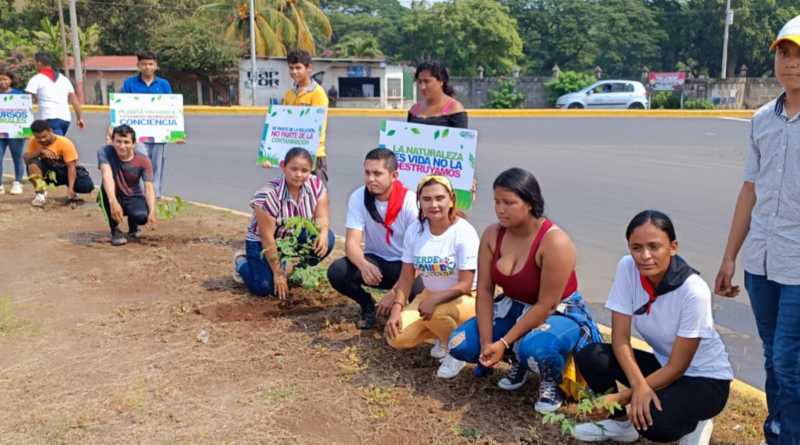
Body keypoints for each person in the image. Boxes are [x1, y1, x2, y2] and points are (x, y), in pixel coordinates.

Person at [448, 168, 601, 412]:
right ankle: (518, 359)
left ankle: (551, 381)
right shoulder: (492, 234)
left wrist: (504, 342)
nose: (500, 209)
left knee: (538, 349)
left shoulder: (554, 242)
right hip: (512, 305)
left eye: (509, 203)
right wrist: (489, 342)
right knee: (460, 344)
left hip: (558, 312)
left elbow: (546, 305)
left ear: (530, 203)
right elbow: (486, 290)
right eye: (497, 202)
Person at [574, 210, 733, 445]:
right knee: (592, 356)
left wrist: (624, 396)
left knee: (652, 423)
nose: (644, 256)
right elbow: (620, 339)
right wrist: (639, 386)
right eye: (636, 247)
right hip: (664, 366)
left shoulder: (693, 290)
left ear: (673, 247)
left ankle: (697, 421)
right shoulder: (628, 268)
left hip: (705, 380)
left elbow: (679, 366)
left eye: (654, 246)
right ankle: (620, 426)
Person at [714, 15, 800, 445]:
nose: (792, 62)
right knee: (773, 357)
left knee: (789, 360)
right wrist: (731, 256)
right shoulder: (763, 119)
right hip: (762, 261)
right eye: (785, 52)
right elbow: (750, 190)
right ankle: (777, 430)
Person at [384, 175, 479, 379]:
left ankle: (456, 352)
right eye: (426, 199)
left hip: (469, 298)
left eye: (439, 198)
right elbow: (407, 277)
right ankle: (441, 332)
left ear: (451, 199)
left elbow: (466, 283)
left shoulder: (463, 231)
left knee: (435, 311)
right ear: (419, 201)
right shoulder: (415, 230)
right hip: (430, 295)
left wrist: (433, 300)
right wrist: (396, 309)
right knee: (396, 338)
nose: (433, 204)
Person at [327, 148, 424, 330]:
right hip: (376, 263)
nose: (370, 179)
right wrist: (364, 265)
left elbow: (419, 258)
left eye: (377, 173)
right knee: (337, 271)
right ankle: (367, 304)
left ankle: (406, 315)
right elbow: (352, 244)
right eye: (367, 172)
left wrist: (395, 293)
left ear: (394, 175)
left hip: (406, 265)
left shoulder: (411, 202)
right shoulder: (358, 197)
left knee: (423, 290)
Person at [234, 147, 334, 298]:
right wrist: (278, 274)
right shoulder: (268, 195)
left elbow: (322, 217)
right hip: (263, 243)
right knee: (265, 288)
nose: (299, 175)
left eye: (305, 170)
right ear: (283, 167)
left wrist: (324, 233)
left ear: (311, 170)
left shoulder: (316, 185)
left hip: (292, 237)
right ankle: (241, 261)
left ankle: (299, 272)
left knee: (328, 239)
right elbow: (267, 238)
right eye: (293, 169)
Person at [121, 50, 184, 200]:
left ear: (156, 66)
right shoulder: (129, 84)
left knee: (157, 164)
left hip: (159, 133)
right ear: (138, 65)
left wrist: (177, 134)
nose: (147, 67)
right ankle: (141, 194)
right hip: (136, 133)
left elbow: (171, 110)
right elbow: (122, 108)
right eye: (144, 64)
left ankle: (155, 196)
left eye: (150, 64)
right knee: (140, 160)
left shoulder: (163, 84)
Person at [97, 125, 157, 246]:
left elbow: (149, 187)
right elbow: (107, 175)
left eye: (126, 142)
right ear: (112, 141)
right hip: (114, 193)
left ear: (134, 143)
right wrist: (113, 201)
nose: (122, 146)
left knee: (142, 217)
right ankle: (115, 230)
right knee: (104, 191)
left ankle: (133, 223)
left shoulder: (143, 160)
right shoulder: (105, 152)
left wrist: (152, 211)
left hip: (133, 195)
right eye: (118, 141)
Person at [283, 50, 330, 185]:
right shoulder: (289, 94)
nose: (294, 72)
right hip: (293, 154)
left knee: (317, 197)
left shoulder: (318, 94)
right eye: (291, 68)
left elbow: (316, 127)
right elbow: (284, 123)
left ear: (309, 68)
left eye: (298, 68)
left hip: (314, 154)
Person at [23, 119, 94, 206]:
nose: (42, 139)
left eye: (45, 136)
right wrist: (40, 150)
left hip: (64, 171)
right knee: (32, 165)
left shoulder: (65, 143)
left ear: (51, 131)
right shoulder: (33, 141)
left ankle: (74, 191)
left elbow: (71, 167)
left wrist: (71, 188)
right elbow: (26, 159)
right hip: (49, 172)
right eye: (38, 137)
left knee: (86, 185)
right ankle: (40, 194)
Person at [24, 52, 85, 136]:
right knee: (56, 145)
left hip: (50, 118)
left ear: (39, 63)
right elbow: (75, 101)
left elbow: (26, 101)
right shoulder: (64, 79)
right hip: (65, 119)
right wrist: (79, 118)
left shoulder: (36, 79)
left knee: (53, 147)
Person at [407, 60, 467, 129]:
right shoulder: (414, 109)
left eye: (427, 81)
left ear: (441, 81)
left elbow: (461, 138)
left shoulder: (455, 108)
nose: (422, 87)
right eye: (420, 82)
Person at [0, 68, 26, 195]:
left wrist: (26, 131)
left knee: (18, 158)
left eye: (5, 79)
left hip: (16, 132)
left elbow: (25, 114)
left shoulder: (19, 94)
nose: (2, 82)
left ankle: (18, 183)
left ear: (11, 80)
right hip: (0, 133)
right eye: (0, 79)